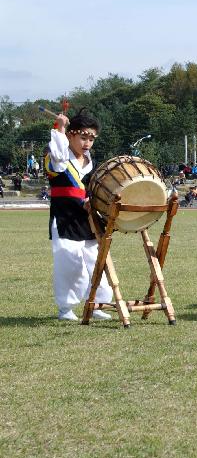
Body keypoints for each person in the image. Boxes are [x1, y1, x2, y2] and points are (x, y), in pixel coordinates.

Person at [44, 109, 112, 321]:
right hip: (65, 219)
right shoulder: (58, 159)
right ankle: (66, 308)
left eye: (91, 138)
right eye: (83, 137)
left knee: (95, 262)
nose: (87, 143)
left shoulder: (91, 163)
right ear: (70, 136)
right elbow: (58, 154)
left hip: (87, 219)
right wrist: (59, 128)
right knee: (70, 263)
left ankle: (97, 303)